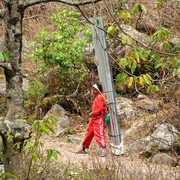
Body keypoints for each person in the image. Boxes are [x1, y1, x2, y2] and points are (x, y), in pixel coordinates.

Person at [76, 83, 107, 157]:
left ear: (98, 90)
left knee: (99, 133)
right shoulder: (97, 97)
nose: (92, 91)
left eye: (94, 90)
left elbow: (101, 108)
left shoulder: (100, 97)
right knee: (89, 133)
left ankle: (103, 150)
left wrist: (92, 113)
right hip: (94, 118)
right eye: (92, 90)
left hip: (98, 118)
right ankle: (84, 148)